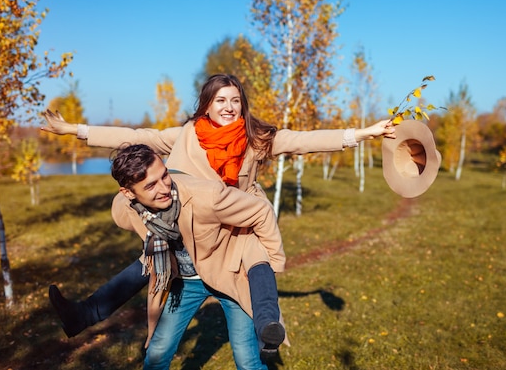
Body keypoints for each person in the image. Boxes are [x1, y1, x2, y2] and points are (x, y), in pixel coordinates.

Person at [43, 73, 395, 360]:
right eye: (220, 100)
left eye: (235, 100)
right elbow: (136, 136)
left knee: (246, 353)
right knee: (154, 305)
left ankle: (266, 326)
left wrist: (360, 135)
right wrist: (75, 130)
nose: (229, 107)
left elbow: (302, 140)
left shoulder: (254, 139)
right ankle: (84, 313)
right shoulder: (186, 135)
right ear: (207, 105)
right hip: (188, 253)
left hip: (233, 247)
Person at [110, 143, 285, 369]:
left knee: (247, 359)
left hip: (228, 276)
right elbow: (121, 211)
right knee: (157, 352)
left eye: (164, 175)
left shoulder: (208, 196)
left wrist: (272, 265)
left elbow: (261, 211)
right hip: (184, 284)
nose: (164, 188)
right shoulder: (129, 211)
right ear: (128, 193)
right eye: (151, 185)